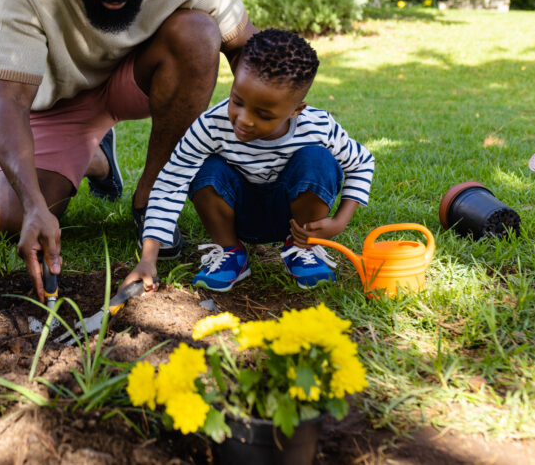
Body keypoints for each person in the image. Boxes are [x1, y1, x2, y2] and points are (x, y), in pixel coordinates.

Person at [0, 0, 256, 301]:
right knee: (8, 216)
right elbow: (7, 103)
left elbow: (250, 50)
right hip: (59, 104)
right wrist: (35, 204)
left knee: (200, 33)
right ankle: (96, 159)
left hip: (137, 81)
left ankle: (151, 198)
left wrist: (269, 134)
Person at [123, 28, 375, 293]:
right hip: (234, 215)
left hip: (294, 219)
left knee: (318, 160)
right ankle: (231, 253)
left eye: (264, 115)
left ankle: (302, 249)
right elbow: (171, 181)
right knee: (204, 169)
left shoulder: (318, 126)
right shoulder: (211, 125)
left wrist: (340, 222)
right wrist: (148, 259)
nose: (243, 120)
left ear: (295, 110)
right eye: (237, 101)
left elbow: (362, 163)